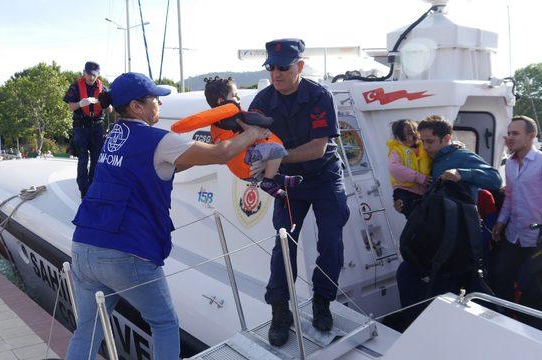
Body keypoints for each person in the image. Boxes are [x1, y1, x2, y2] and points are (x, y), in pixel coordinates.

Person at [65, 72, 270, 360]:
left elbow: (154, 169)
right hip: (126, 251)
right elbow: (222, 153)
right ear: (137, 106)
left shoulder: (113, 138)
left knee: (87, 330)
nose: (159, 103)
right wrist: (253, 134)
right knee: (163, 323)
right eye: (154, 98)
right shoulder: (158, 139)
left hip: (84, 247)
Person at [248, 38, 350, 346]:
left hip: (324, 178)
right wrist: (254, 161)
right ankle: (280, 310)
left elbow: (318, 149)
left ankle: (322, 301)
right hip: (289, 184)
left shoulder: (320, 97)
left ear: (300, 67)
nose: (276, 73)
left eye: (283, 67)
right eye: (271, 67)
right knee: (283, 244)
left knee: (331, 243)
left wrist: (277, 155)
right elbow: (252, 142)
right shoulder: (261, 102)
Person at [395, 115, 502, 323]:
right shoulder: (431, 159)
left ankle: (430, 328)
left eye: (430, 142)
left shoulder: (460, 156)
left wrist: (461, 173)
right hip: (437, 235)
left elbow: (495, 178)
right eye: (422, 141)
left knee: (443, 286)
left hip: (457, 238)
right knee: (407, 272)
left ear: (446, 139)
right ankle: (412, 324)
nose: (425, 147)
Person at [490, 116, 542, 305]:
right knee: (501, 280)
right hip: (513, 234)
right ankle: (502, 319)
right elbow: (511, 197)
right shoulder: (511, 164)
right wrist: (500, 222)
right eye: (509, 133)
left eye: (515, 133)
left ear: (532, 136)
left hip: (539, 240)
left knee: (532, 290)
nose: (510, 137)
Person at [203, 76, 303, 197]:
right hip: (248, 161)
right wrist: (269, 120)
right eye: (234, 95)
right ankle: (268, 182)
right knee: (277, 149)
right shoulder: (234, 116)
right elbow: (256, 119)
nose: (238, 98)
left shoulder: (215, 123)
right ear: (221, 101)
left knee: (266, 154)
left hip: (242, 170)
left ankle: (278, 178)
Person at [63, 61, 112, 198]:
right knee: (83, 159)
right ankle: (84, 190)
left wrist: (105, 103)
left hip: (97, 126)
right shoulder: (75, 87)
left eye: (94, 75)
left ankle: (93, 187)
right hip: (81, 126)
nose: (91, 78)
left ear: (98, 74)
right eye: (89, 74)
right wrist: (80, 103)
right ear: (84, 72)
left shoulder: (103, 88)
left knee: (96, 159)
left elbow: (110, 110)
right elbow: (71, 106)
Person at [387, 119, 431, 219]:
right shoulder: (396, 151)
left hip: (422, 192)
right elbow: (394, 168)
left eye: (411, 134)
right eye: (404, 137)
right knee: (416, 219)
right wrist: (419, 177)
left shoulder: (424, 147)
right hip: (404, 191)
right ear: (398, 137)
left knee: (427, 217)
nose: (409, 139)